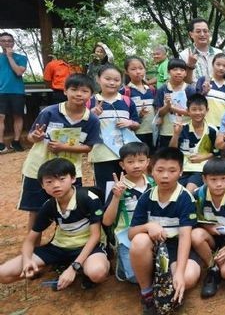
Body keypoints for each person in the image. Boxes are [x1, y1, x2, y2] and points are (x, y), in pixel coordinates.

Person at [0, 158, 110, 289]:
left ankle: (77, 266)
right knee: (3, 274)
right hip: (59, 248)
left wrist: (74, 268)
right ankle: (61, 264)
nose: (56, 185)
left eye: (62, 179)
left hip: (89, 246)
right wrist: (27, 261)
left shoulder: (88, 198)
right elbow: (30, 240)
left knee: (97, 273)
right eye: (49, 182)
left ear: (73, 178)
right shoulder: (49, 206)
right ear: (42, 185)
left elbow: (95, 236)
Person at [18, 74, 101, 236]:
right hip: (38, 169)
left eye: (84, 91)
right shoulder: (49, 112)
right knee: (35, 210)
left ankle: (65, 244)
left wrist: (64, 147)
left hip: (69, 173)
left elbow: (88, 147)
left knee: (70, 208)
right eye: (74, 89)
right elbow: (30, 137)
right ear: (65, 91)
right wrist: (35, 137)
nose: (79, 94)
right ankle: (33, 247)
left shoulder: (91, 120)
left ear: (91, 95)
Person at [128, 147, 201, 314]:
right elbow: (131, 233)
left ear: (181, 172)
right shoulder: (146, 197)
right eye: (160, 170)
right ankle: (147, 293)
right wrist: (148, 226)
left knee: (188, 277)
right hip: (154, 248)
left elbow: (184, 237)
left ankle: (167, 282)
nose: (165, 176)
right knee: (139, 240)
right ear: (151, 171)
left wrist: (180, 274)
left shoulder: (185, 198)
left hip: (176, 248)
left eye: (172, 170)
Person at [102, 142, 154, 282]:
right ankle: (122, 263)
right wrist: (117, 197)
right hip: (127, 236)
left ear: (148, 162)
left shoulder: (154, 183)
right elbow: (107, 221)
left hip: (154, 232)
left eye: (141, 161)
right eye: (130, 162)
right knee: (135, 278)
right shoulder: (118, 187)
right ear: (122, 165)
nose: (136, 165)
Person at [89, 64, 140, 201]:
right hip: (102, 155)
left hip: (125, 154)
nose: (112, 83)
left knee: (129, 186)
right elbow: (82, 127)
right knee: (106, 189)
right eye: (108, 79)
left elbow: (136, 123)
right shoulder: (90, 102)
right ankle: (108, 219)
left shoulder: (127, 101)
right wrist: (91, 115)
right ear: (98, 79)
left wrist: (130, 123)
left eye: (116, 80)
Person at [191, 158, 225, 298]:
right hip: (210, 237)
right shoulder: (197, 195)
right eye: (213, 179)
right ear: (204, 179)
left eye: (223, 178)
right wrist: (207, 226)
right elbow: (191, 220)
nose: (219, 184)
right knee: (195, 235)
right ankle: (212, 268)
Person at [169, 94, 218, 191]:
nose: (198, 113)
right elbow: (172, 151)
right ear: (188, 111)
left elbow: (218, 152)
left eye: (201, 109)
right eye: (194, 109)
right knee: (174, 191)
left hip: (201, 170)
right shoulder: (182, 128)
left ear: (207, 110)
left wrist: (203, 157)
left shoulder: (212, 130)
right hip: (182, 168)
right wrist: (176, 134)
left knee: (189, 191)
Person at [154, 58, 198, 148]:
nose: (178, 72)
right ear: (168, 72)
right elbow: (158, 113)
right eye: (175, 69)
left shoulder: (190, 90)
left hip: (186, 131)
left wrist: (173, 108)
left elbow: (194, 113)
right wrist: (167, 106)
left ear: (186, 73)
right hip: (167, 132)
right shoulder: (162, 89)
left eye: (182, 70)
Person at [121, 56, 156, 153]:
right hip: (136, 133)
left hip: (153, 132)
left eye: (141, 68)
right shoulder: (125, 91)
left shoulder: (151, 90)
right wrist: (139, 116)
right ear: (126, 72)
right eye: (133, 69)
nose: (138, 72)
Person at [0, 32, 27, 152]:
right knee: (0, 117)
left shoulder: (21, 57)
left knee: (18, 116)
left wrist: (10, 57)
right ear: (0, 43)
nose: (7, 43)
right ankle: (0, 143)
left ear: (13, 43)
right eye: (4, 41)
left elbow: (19, 72)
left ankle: (16, 141)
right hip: (1, 92)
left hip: (17, 92)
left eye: (9, 41)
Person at [180, 18, 223, 84]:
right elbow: (184, 82)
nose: (202, 34)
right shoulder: (184, 55)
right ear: (191, 34)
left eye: (205, 31)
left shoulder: (219, 53)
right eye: (198, 31)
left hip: (218, 92)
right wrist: (190, 65)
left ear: (209, 33)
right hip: (195, 93)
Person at [202, 53, 225, 129]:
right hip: (205, 125)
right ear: (213, 64)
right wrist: (204, 92)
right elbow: (196, 102)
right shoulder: (204, 80)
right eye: (218, 64)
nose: (221, 68)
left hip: (222, 127)